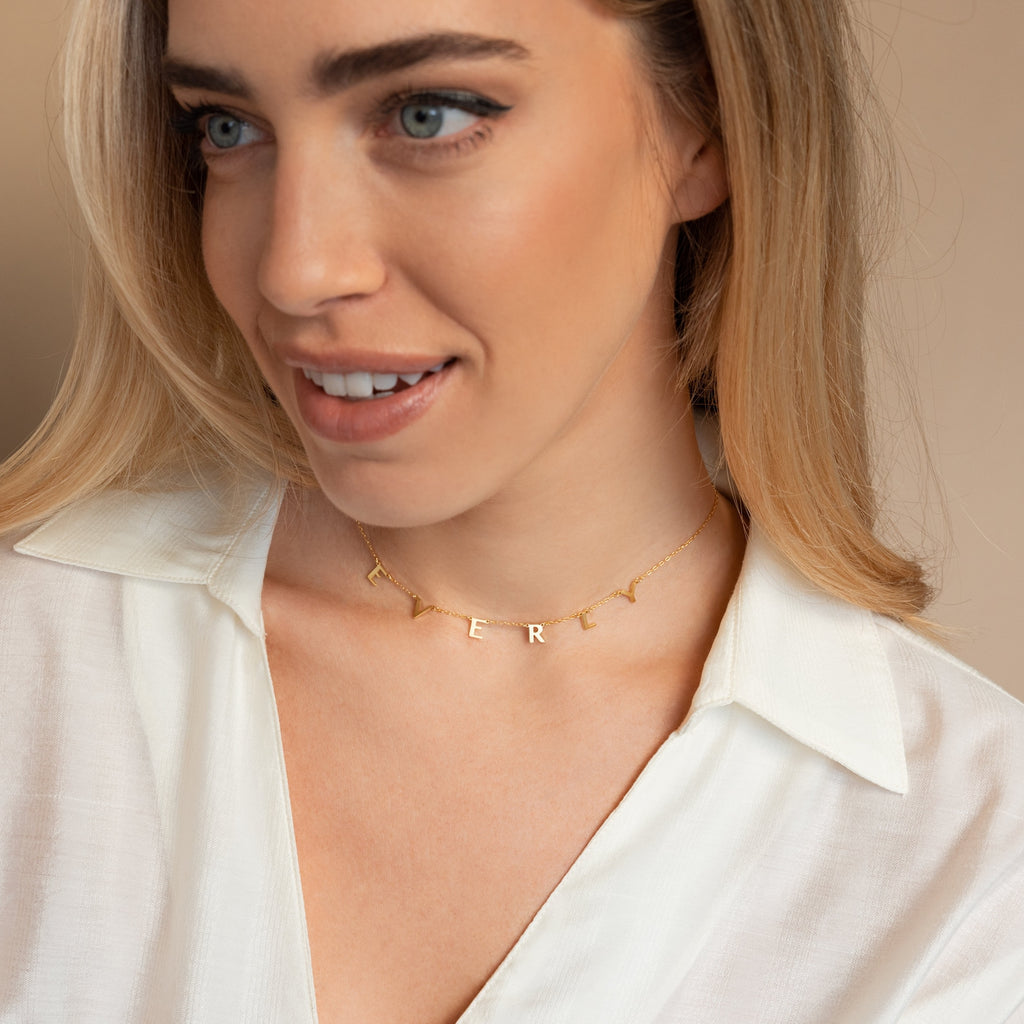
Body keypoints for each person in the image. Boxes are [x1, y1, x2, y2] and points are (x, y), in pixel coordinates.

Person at [1, 0, 1022, 1020]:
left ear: (701, 121)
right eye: (226, 127)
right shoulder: (35, 667)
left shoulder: (973, 857)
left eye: (430, 114)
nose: (296, 269)